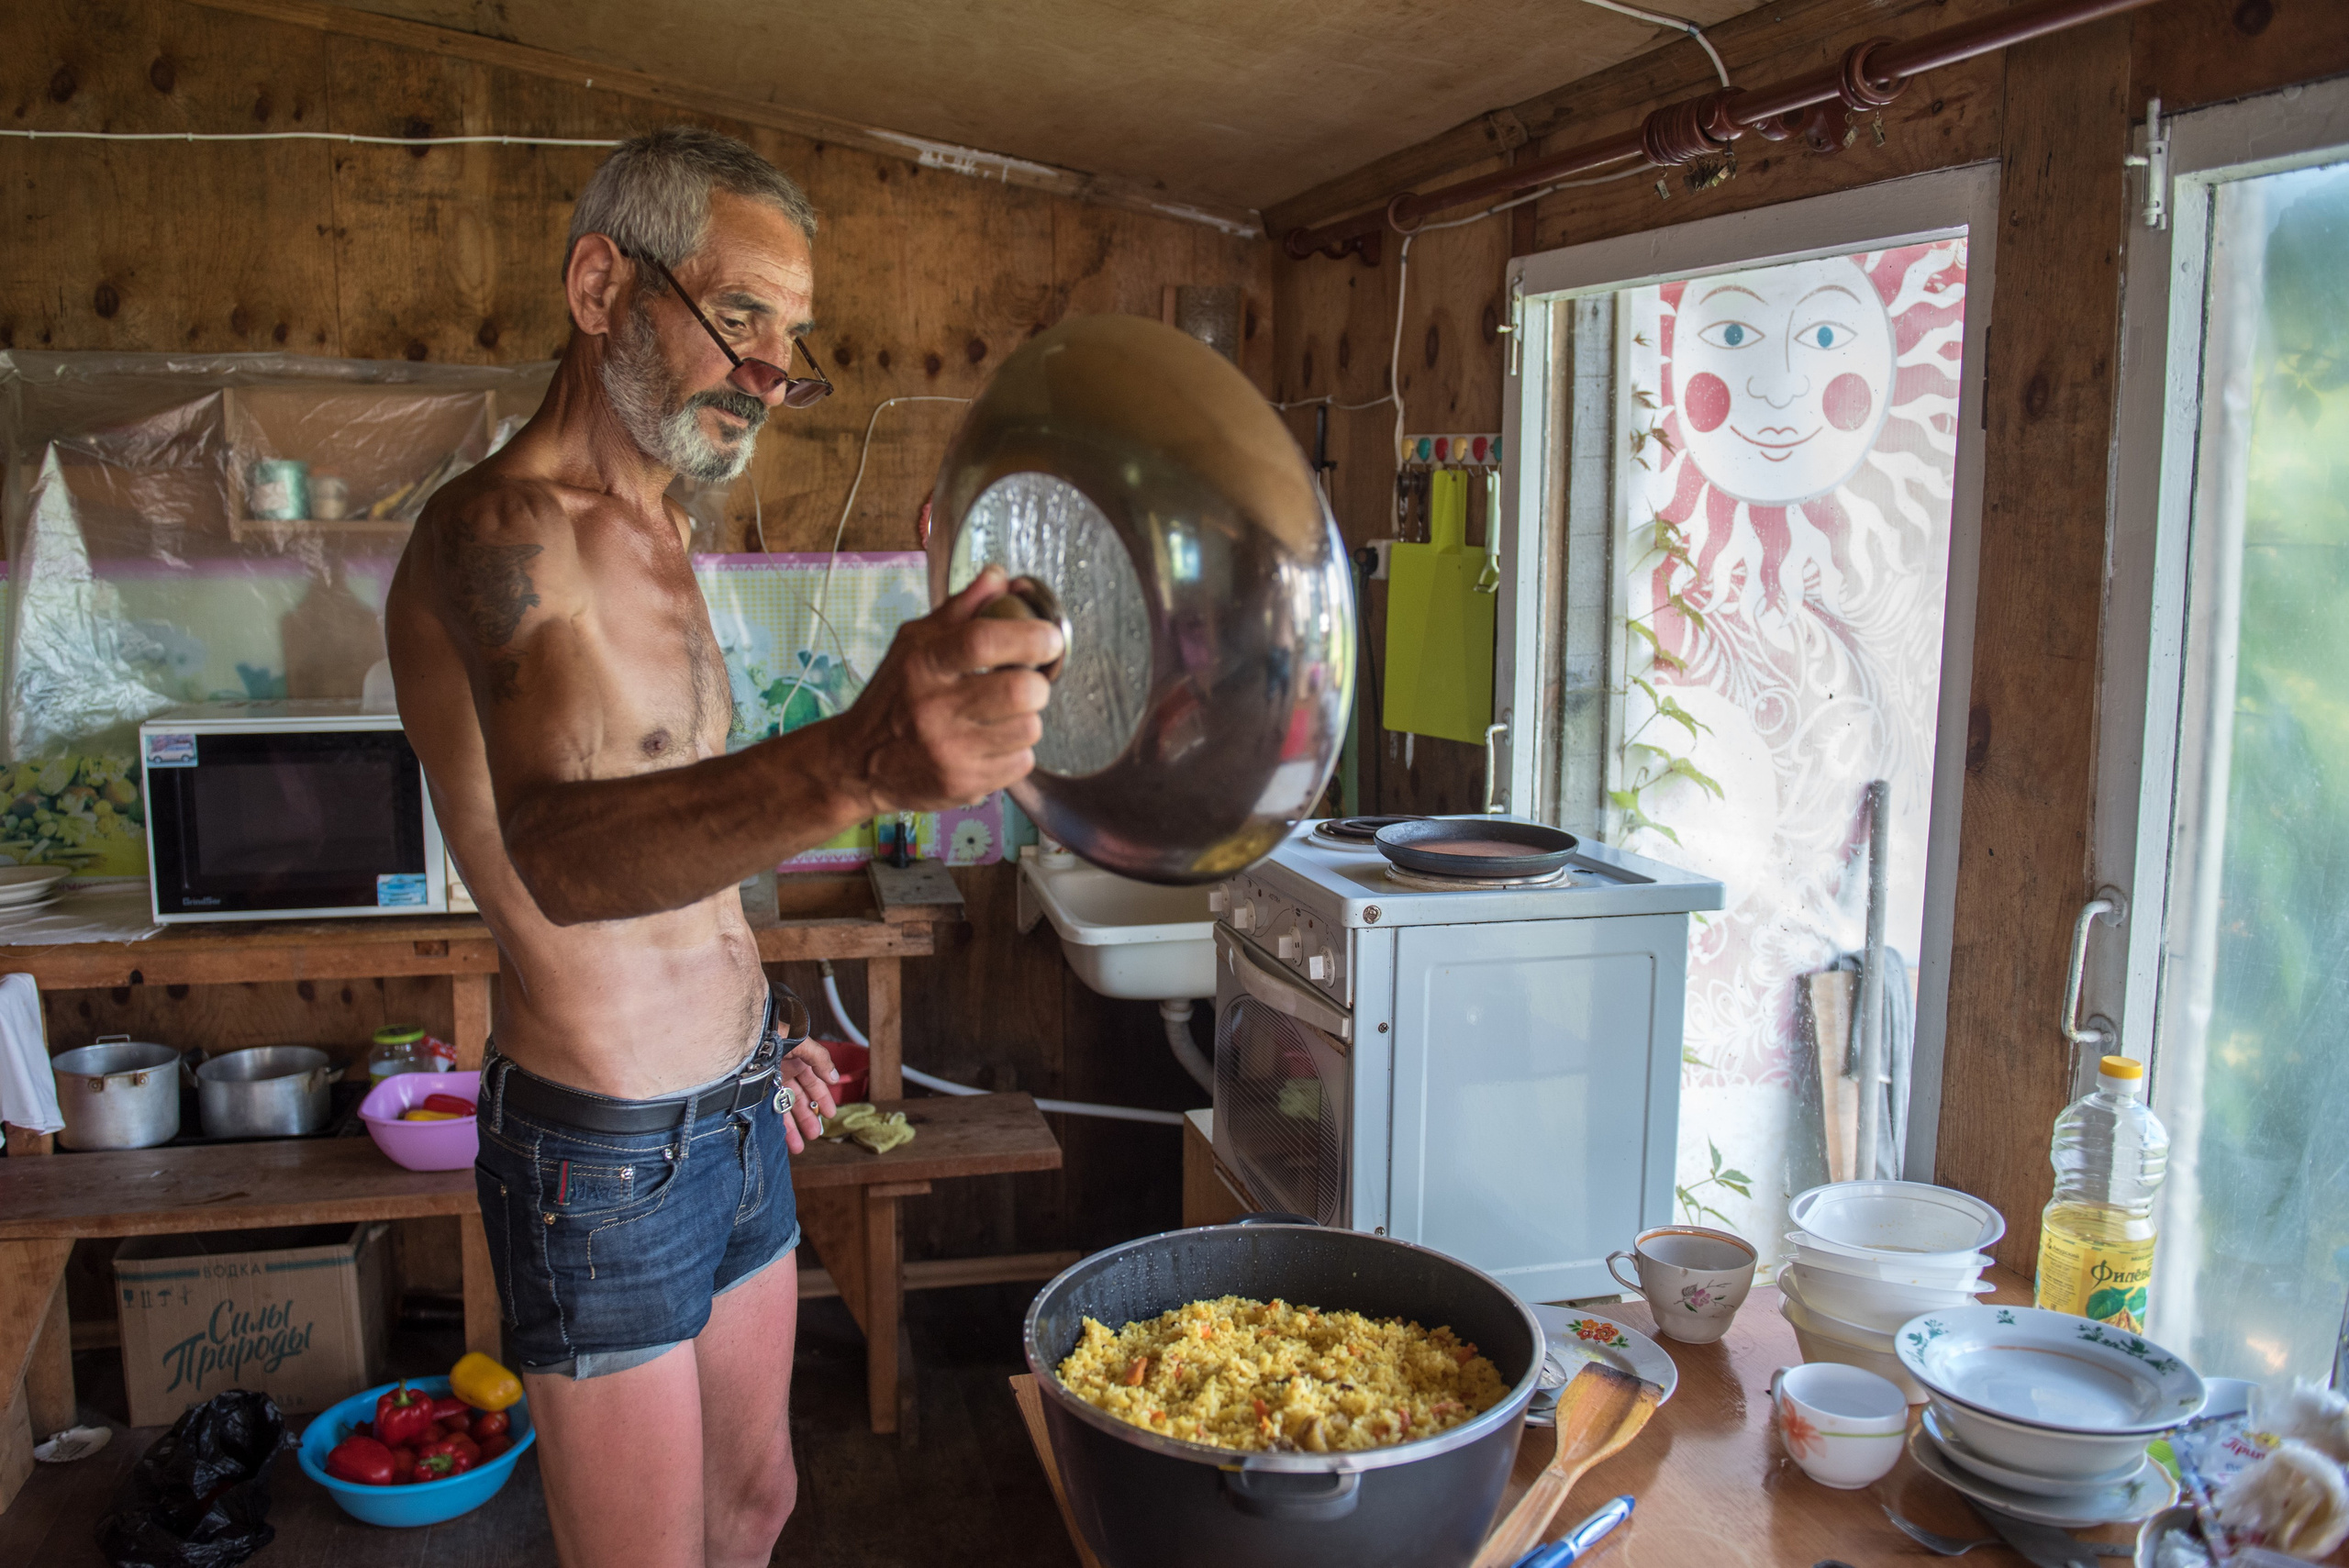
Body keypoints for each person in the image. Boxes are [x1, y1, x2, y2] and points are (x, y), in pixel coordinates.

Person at [384, 127, 1059, 1568]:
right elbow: (565, 853)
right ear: (595, 285)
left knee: (757, 1508)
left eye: (793, 338)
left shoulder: (665, 529)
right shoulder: (494, 531)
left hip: (742, 1110)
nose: (768, 371)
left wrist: (758, 1031)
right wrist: (859, 759)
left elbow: (678, 852)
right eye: (737, 315)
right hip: (602, 1151)